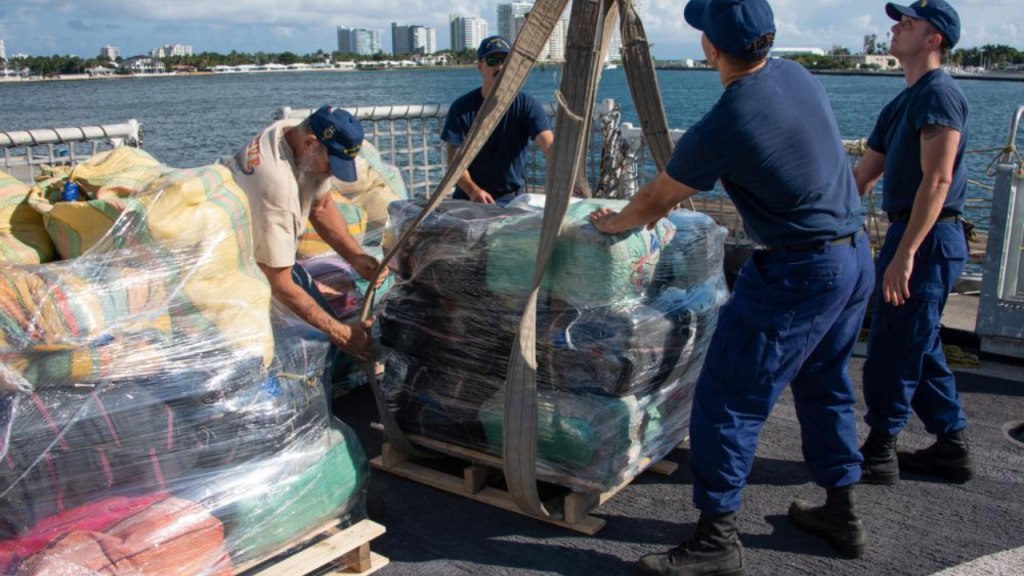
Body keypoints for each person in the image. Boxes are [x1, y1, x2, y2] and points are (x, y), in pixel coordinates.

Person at [590, 0, 873, 573]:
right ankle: (840, 509)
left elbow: (654, 201)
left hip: (799, 272)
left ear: (710, 48)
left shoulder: (728, 118)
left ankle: (716, 541)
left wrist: (609, 223)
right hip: (853, 255)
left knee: (727, 396)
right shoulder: (795, 75)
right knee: (823, 381)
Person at [855, 0, 972, 486]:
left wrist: (904, 255)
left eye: (909, 21)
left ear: (933, 39)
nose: (897, 26)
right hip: (911, 232)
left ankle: (880, 449)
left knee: (894, 344)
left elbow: (938, 181)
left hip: (928, 235)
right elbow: (862, 175)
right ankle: (952, 446)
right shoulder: (902, 101)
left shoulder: (939, 95)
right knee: (919, 344)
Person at [226, 105, 387, 362]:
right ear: (310, 143)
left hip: (268, 260)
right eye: (331, 163)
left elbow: (321, 207)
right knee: (312, 352)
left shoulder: (287, 132)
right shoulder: (276, 188)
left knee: (329, 319)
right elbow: (279, 283)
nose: (333, 172)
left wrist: (356, 256)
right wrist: (341, 333)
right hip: (243, 275)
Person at [442, 35, 554, 205]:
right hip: (469, 198)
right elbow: (454, 162)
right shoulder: (461, 109)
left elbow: (550, 147)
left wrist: (568, 177)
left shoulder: (527, 105)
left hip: (511, 198)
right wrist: (473, 191)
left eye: (506, 61)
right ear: (480, 66)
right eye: (493, 61)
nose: (500, 67)